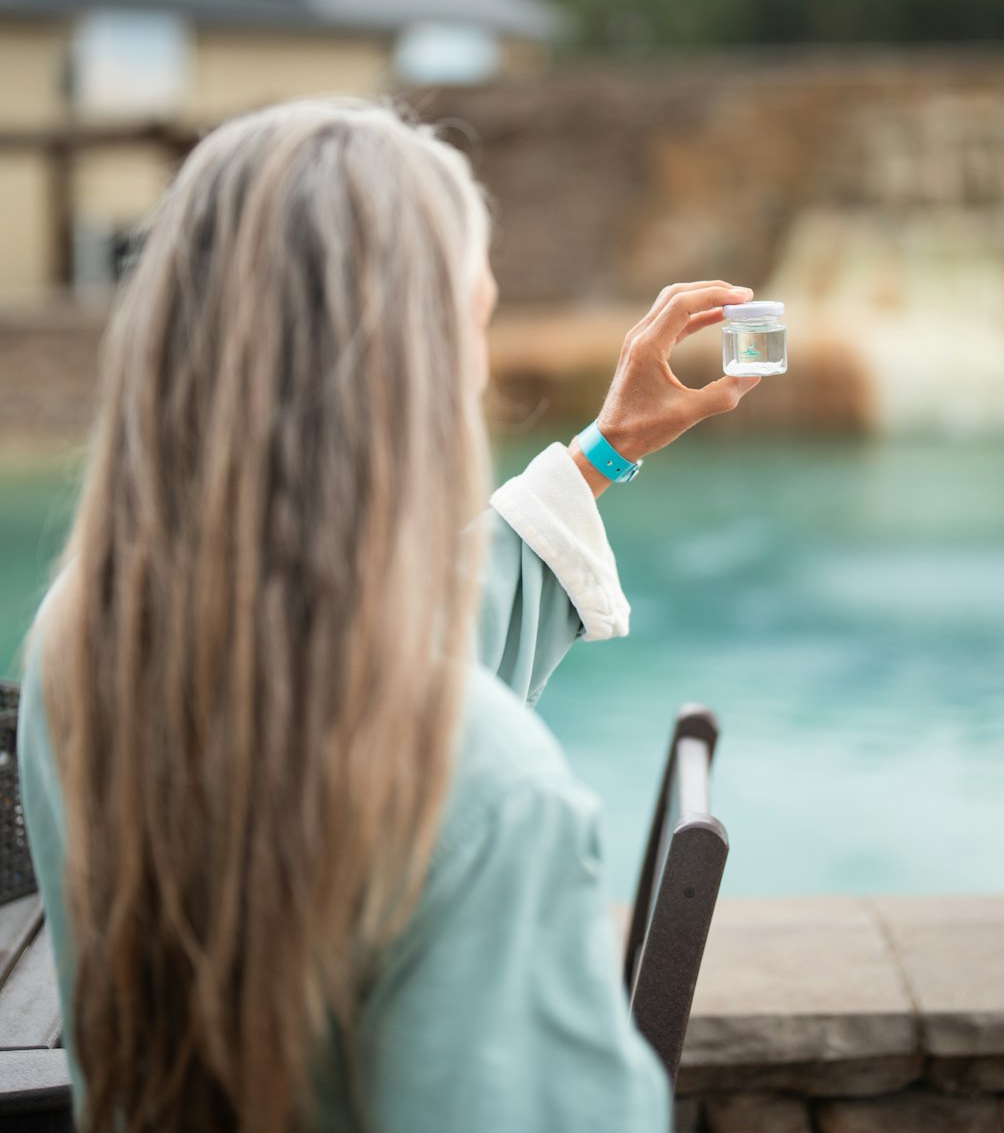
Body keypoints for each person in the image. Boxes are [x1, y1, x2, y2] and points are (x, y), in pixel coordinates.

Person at [18, 99, 760, 1133]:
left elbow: (334, 646)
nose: (484, 373)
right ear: (402, 373)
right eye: (474, 326)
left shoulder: (82, 647)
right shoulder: (492, 793)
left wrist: (604, 450)